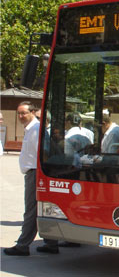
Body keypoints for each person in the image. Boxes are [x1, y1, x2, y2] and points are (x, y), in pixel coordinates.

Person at [3, 101, 59, 256]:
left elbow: (44, 154)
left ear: (33, 112)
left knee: (31, 210)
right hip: (34, 173)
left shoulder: (35, 130)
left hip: (36, 174)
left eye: (24, 113)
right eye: (19, 113)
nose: (21, 116)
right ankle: (51, 242)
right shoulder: (32, 129)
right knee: (42, 208)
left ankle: (22, 245)